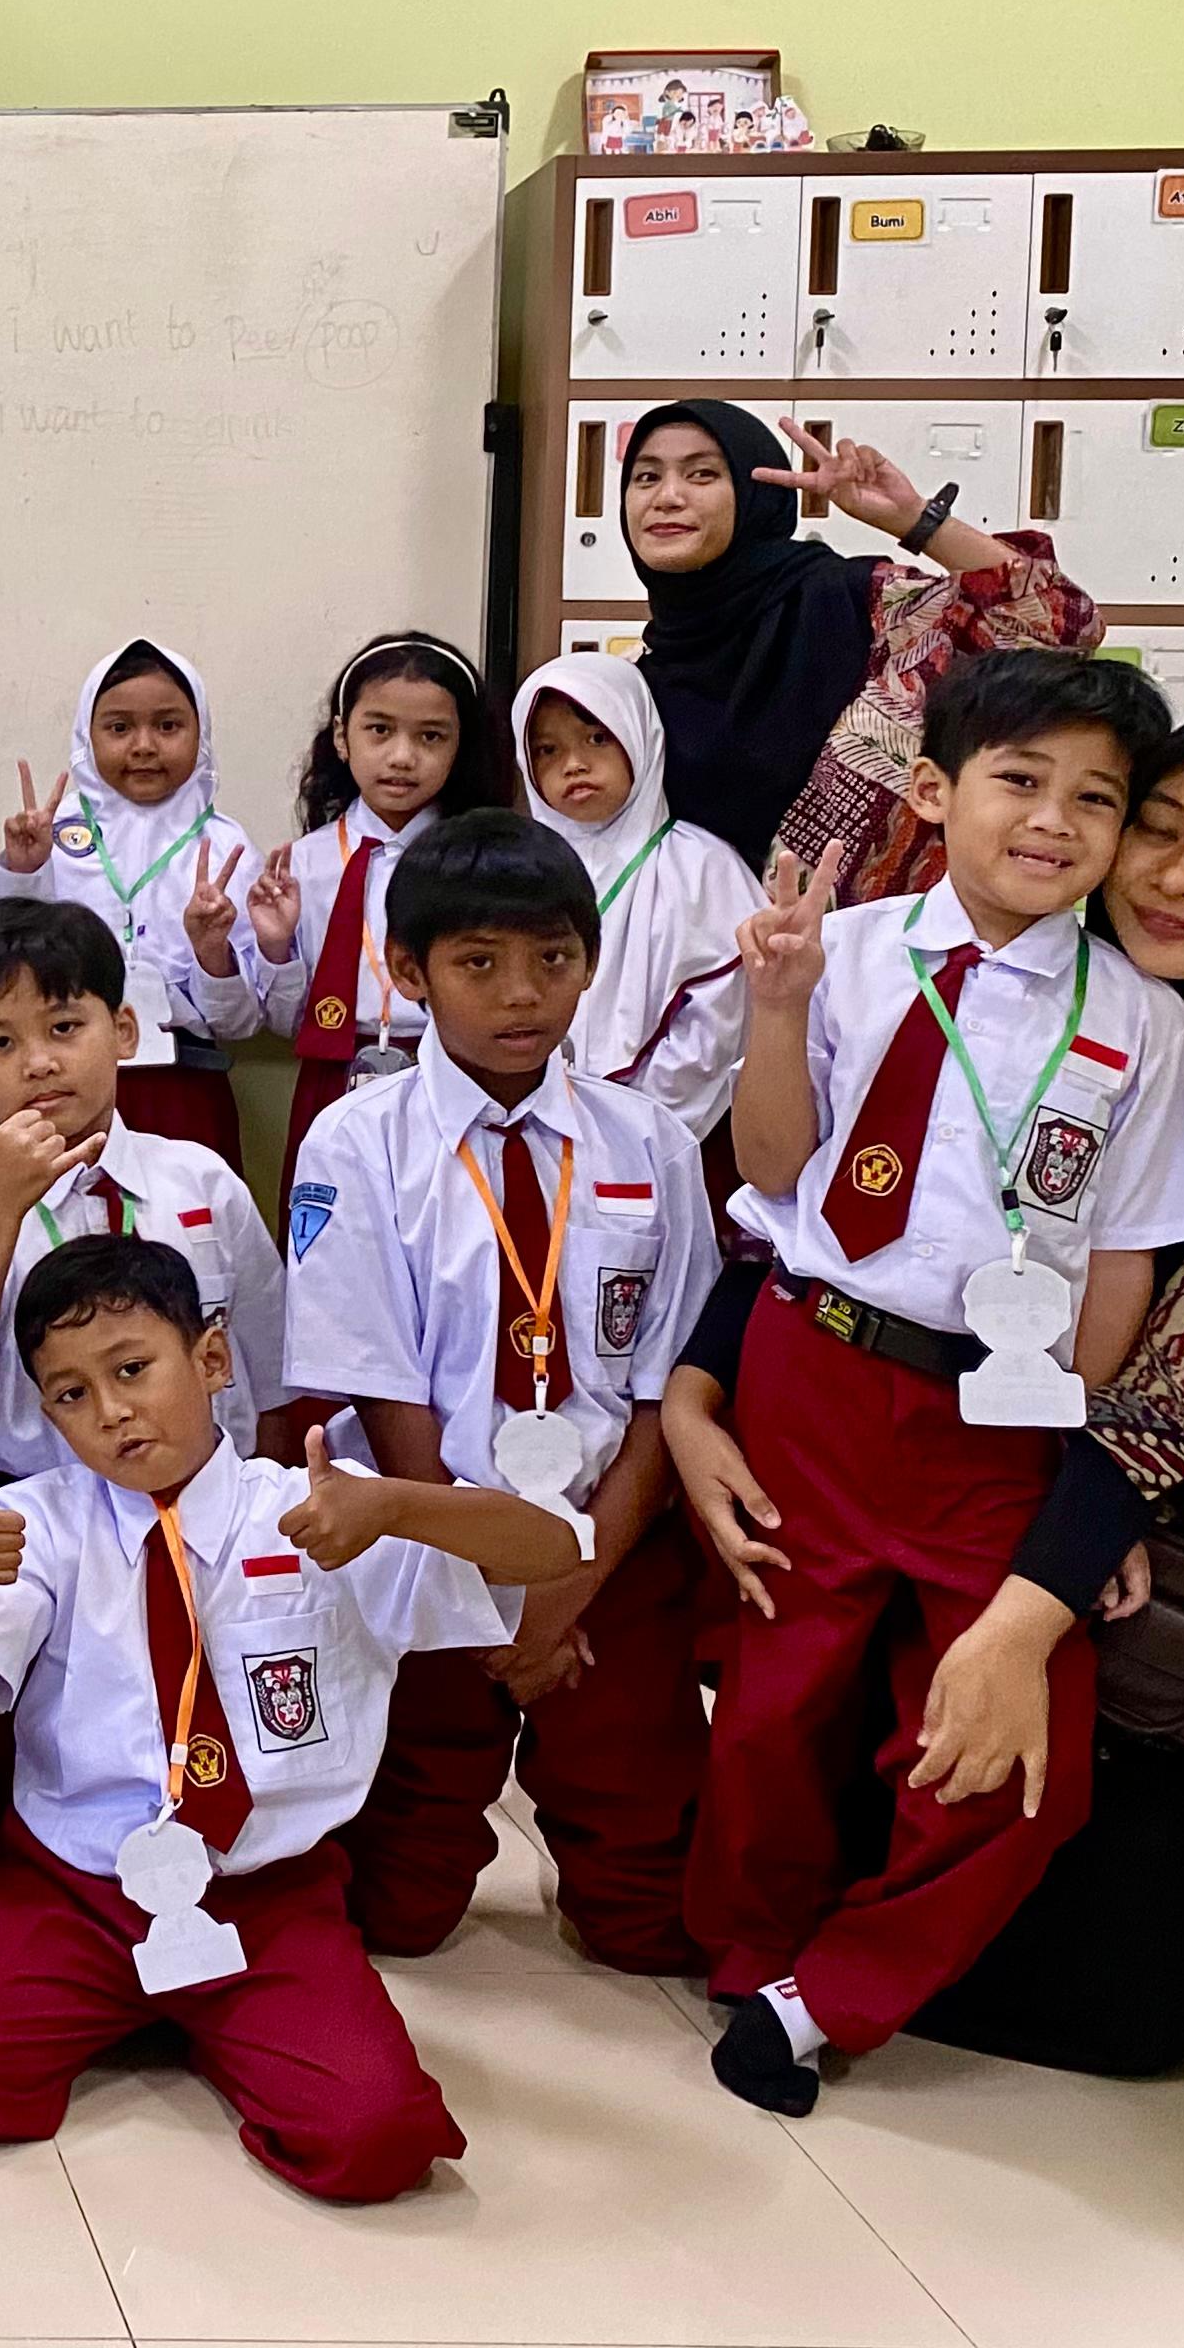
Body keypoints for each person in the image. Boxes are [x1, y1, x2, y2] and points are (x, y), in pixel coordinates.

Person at [721, 710, 1184, 2077]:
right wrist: (696, 1390)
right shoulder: (1003, 984)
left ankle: (841, 1979)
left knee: (1090, 1947)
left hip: (1155, 1561)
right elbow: (839, 1221)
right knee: (788, 1702)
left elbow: (1164, 1412)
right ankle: (780, 1954)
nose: (1179, 878)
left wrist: (1033, 1608)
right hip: (941, 1449)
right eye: (1160, 829)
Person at [671, 648, 1184, 2113]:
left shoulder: (1145, 1024)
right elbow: (772, 1171)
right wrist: (775, 1010)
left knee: (1013, 1742)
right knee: (778, 1698)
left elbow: (1124, 1261)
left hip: (1002, 1413)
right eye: (1019, 781)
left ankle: (828, 1994)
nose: (1052, 821)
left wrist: (1085, 1475)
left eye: (1095, 800)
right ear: (932, 790)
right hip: (819, 1369)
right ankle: (751, 1951)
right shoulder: (838, 955)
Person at [0, 1237, 576, 2201]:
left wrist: (397, 1507)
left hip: (267, 1895)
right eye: (72, 1394)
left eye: (133, 1369)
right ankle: (157, 2003)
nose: (111, 1412)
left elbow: (552, 1552)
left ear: (212, 1359)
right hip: (76, 1890)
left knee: (376, 2141)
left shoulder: (318, 1512)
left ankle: (211, 2010)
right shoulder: (39, 1524)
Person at [275, 812, 718, 1970]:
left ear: (590, 962)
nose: (522, 994)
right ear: (406, 970)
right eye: (479, 963)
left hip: (606, 1542)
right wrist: (485, 1583)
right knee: (396, 1912)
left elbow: (666, 1395)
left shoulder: (651, 1144)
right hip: (424, 1541)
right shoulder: (356, 1143)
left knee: (647, 1919)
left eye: (553, 959)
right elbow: (381, 1390)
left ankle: (613, 1856)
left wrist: (570, 1583)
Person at [0, 896, 285, 1892]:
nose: (39, 1063)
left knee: (199, 1735)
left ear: (124, 1029)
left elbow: (266, 1371)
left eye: (65, 1026)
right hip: (36, 1537)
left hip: (199, 1525)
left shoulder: (200, 1184)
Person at [620, 401, 1103, 904]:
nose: (667, 497)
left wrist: (914, 520)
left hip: (891, 947)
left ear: (754, 492)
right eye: (646, 477)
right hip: (706, 951)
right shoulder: (633, 679)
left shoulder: (862, 605)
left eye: (701, 474)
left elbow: (1059, 625)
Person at [251, 630, 509, 1196]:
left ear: (461, 745)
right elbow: (286, 1022)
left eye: (431, 736)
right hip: (333, 1078)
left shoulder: (482, 863)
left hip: (456, 1075)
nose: (401, 756)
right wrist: (276, 948)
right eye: (379, 730)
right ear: (342, 737)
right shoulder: (304, 864)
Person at [0, 637, 264, 1165]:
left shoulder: (227, 848)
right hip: (63, 1085)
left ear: (201, 732)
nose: (143, 746)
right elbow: (13, 974)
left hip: (185, 1087)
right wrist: (26, 872)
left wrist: (211, 953)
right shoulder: (53, 835)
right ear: (86, 735)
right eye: (119, 728)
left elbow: (239, 1024)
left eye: (168, 726)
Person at [511, 653, 764, 1148]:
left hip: (671, 1132)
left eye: (597, 738)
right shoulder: (517, 871)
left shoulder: (700, 866)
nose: (574, 764)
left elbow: (720, 1017)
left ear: (639, 735)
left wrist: (634, 1125)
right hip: (532, 1126)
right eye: (547, 750)